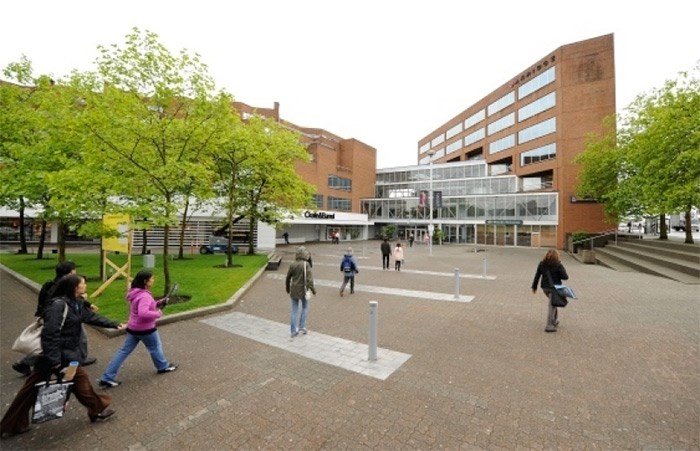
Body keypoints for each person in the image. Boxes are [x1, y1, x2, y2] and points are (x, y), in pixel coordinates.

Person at [1, 275, 123, 437]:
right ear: (74, 287)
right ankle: (11, 424)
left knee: (79, 382)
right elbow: (49, 335)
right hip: (55, 358)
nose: (85, 286)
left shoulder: (76, 303)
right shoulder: (58, 306)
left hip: (67, 356)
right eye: (83, 283)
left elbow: (90, 317)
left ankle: (97, 409)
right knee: (33, 390)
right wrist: (55, 362)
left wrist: (113, 323)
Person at [12, 261, 97, 377]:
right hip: (62, 319)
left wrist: (86, 304)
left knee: (54, 343)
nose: (76, 274)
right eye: (74, 271)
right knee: (77, 339)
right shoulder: (62, 287)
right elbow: (67, 300)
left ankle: (26, 363)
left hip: (56, 318)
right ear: (69, 273)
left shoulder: (55, 284)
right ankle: (76, 362)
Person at [98, 270, 177, 388]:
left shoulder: (136, 292)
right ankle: (163, 367)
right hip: (145, 329)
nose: (153, 280)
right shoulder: (145, 295)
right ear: (145, 281)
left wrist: (160, 302)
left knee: (123, 352)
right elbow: (143, 313)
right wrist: (158, 314)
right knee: (155, 347)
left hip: (132, 328)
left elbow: (146, 305)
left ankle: (107, 377)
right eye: (152, 279)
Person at [531, 249, 570, 333]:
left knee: (554, 302)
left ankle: (554, 321)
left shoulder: (542, 264)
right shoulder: (558, 265)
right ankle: (549, 326)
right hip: (554, 288)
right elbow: (565, 277)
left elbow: (537, 276)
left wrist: (534, 287)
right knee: (552, 306)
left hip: (545, 288)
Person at [285, 246, 315, 338]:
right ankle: (302, 326)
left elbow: (288, 278)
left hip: (294, 290)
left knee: (294, 310)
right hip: (303, 290)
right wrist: (313, 290)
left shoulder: (292, 264)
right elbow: (309, 280)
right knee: (305, 307)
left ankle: (293, 331)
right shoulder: (306, 265)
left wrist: (287, 288)